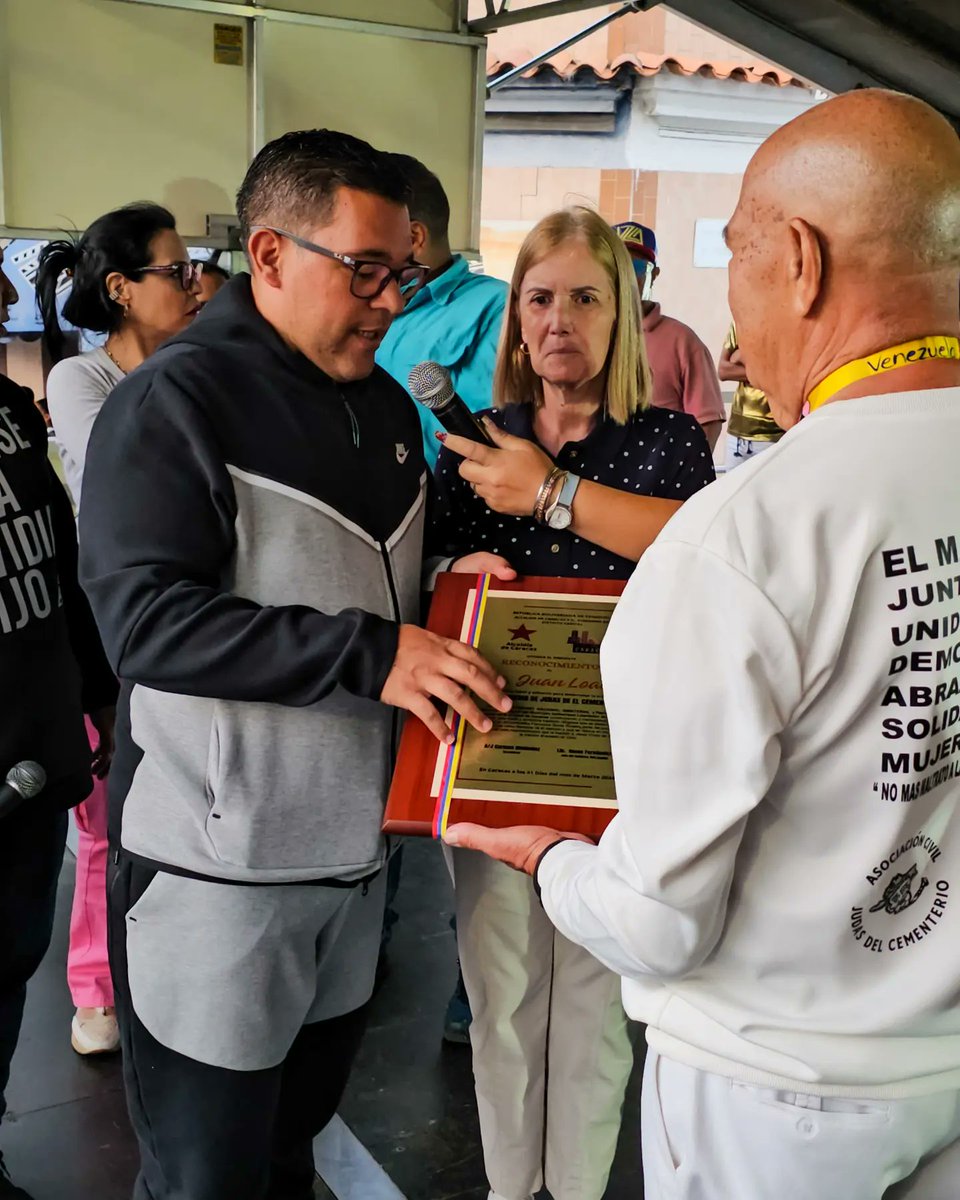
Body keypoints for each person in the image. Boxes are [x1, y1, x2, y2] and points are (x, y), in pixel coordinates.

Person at [446, 89, 960, 1200]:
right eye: (538, 297)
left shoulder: (748, 527)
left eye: (736, 252)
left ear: (802, 263)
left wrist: (549, 858)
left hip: (775, 1088)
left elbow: (659, 924)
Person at [79, 128, 509, 1200]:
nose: (392, 300)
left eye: (403, 271)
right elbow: (146, 622)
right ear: (269, 256)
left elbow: (351, 580)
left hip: (353, 867)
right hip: (214, 876)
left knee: (288, 1153)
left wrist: (454, 576)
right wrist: (374, 651)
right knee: (203, 1175)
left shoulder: (377, 408)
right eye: (364, 270)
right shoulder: (175, 401)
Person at [433, 206, 715, 1200]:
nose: (558, 320)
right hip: (498, 753)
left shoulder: (670, 445)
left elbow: (693, 554)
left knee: (597, 997)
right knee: (501, 993)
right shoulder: (476, 442)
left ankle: (581, 1187)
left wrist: (550, 493)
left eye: (585, 299)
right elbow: (434, 580)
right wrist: (453, 568)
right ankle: (514, 1187)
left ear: (624, 317)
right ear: (515, 319)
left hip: (620, 766)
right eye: (539, 299)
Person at [35, 203, 203, 1058]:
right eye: (175, 272)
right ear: (121, 290)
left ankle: (159, 976)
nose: (194, 285)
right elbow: (132, 483)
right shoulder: (81, 381)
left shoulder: (191, 370)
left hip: (179, 619)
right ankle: (95, 989)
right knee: (101, 822)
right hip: (101, 629)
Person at [0, 246, 117, 1200]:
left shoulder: (6, 416)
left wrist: (95, 689)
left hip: (35, 751)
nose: (4, 300)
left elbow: (60, 565)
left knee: (9, 963)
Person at [376, 153, 508, 467]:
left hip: (448, 503)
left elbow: (501, 434)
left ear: (413, 237)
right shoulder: (370, 303)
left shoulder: (498, 309)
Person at [612, 221, 725, 451]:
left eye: (636, 267)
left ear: (654, 275)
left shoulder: (683, 342)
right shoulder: (590, 337)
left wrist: (681, 479)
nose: (627, 277)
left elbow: (708, 424)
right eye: (616, 267)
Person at [718, 319, 783, 469]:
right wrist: (766, 370)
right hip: (737, 434)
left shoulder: (787, 320)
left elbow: (787, 375)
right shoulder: (740, 321)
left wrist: (740, 355)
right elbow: (723, 370)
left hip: (774, 435)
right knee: (734, 491)